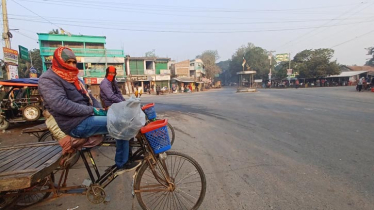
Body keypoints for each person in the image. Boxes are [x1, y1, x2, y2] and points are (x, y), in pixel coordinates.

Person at [39, 47, 140, 175]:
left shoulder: (75, 78)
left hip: (87, 117)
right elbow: (61, 104)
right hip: (75, 124)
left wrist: (100, 109)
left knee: (125, 119)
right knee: (121, 124)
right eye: (67, 62)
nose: (71, 65)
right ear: (58, 62)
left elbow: (90, 97)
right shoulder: (48, 79)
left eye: (73, 62)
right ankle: (122, 163)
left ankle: (125, 156)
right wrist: (91, 110)